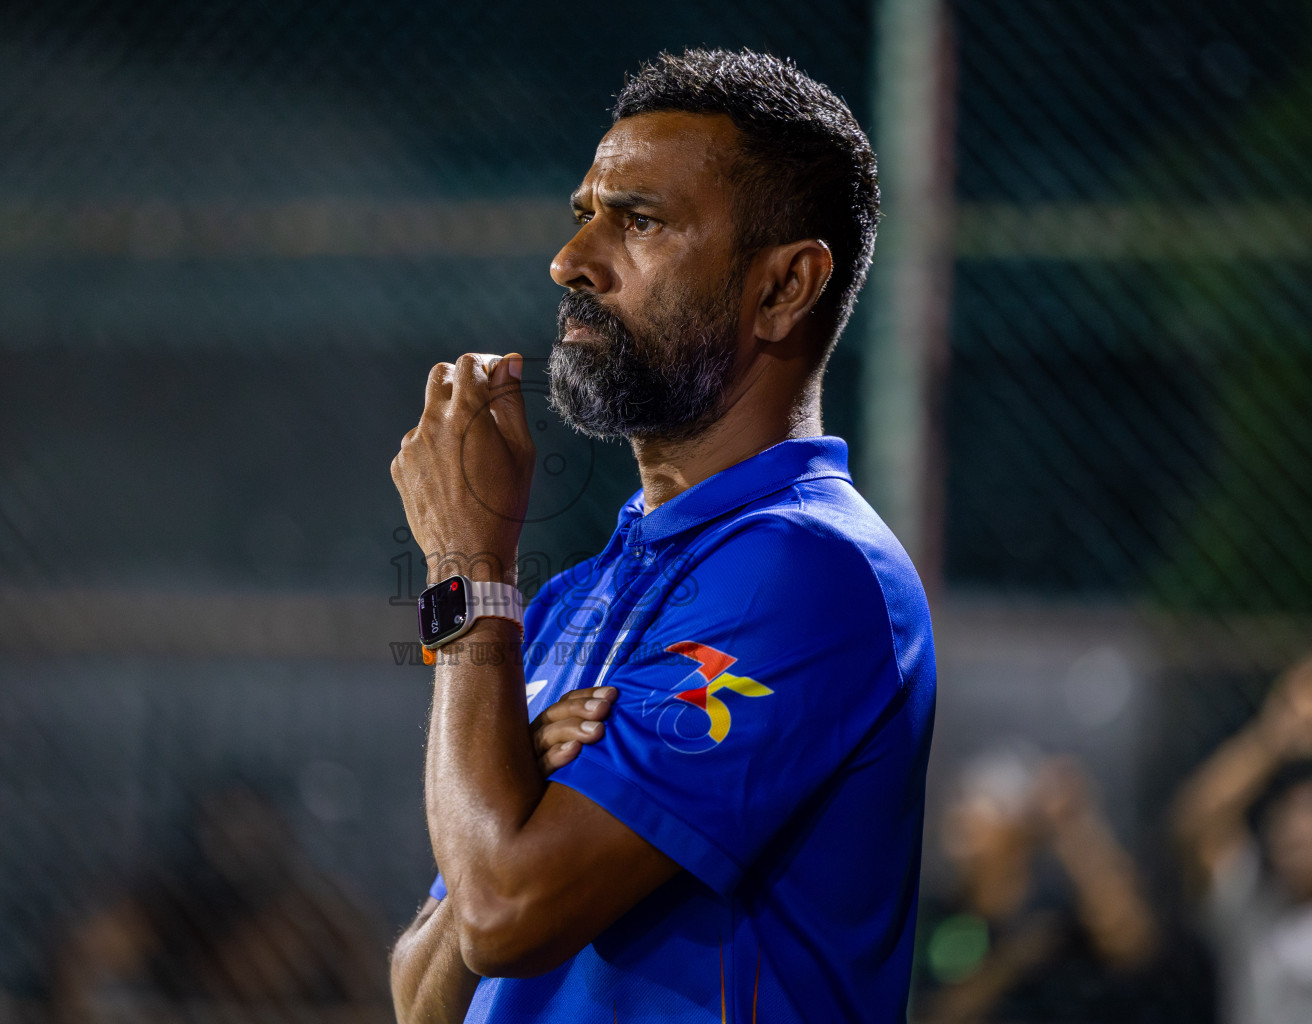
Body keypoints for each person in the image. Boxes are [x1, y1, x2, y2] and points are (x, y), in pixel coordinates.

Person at [388, 48, 936, 1022]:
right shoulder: (568, 599)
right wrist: (509, 787)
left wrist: (465, 571)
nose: (572, 262)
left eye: (638, 222)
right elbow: (424, 992)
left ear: (784, 287)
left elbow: (504, 911)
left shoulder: (812, 573)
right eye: (584, 215)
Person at [49, 784, 389, 1023]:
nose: (240, 848)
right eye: (227, 835)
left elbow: (374, 996)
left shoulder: (317, 916)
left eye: (253, 836)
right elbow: (79, 976)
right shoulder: (156, 909)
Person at [913, 748, 1158, 1023]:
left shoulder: (1055, 910)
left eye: (980, 801)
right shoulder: (934, 913)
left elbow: (1130, 942)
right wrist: (1012, 961)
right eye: (958, 799)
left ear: (1018, 827)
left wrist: (1075, 825)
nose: (960, 814)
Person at [1172, 652, 1312, 1024]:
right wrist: (1277, 731)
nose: (1296, 830)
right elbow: (1195, 822)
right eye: (1288, 813)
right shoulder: (1250, 905)